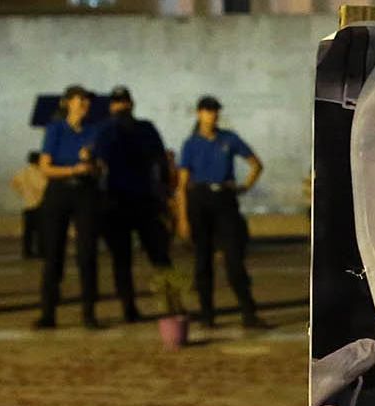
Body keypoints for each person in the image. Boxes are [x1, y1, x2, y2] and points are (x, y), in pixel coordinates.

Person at [175, 95, 267, 330]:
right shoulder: (191, 144)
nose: (212, 115)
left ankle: (248, 312)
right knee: (202, 259)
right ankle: (207, 314)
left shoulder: (229, 138)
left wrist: (244, 187)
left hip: (224, 199)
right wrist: (182, 218)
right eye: (207, 110)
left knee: (233, 258)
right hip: (200, 199)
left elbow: (256, 164)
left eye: (215, 110)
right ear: (199, 113)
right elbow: (182, 184)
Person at [95, 85, 173, 323]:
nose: (120, 106)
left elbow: (161, 162)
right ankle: (134, 308)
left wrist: (164, 193)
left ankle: (167, 303)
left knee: (154, 256)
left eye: (122, 102)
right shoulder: (114, 129)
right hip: (121, 200)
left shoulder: (129, 128)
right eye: (117, 102)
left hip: (138, 199)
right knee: (131, 258)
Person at [37, 84, 105, 330]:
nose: (85, 104)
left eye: (87, 100)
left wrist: (91, 164)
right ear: (68, 103)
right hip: (59, 191)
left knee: (87, 253)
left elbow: (100, 168)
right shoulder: (55, 129)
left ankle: (89, 312)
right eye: (80, 99)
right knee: (53, 253)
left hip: (85, 192)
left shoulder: (94, 131)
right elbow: (45, 167)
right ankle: (48, 313)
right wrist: (72, 169)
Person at [11, 150, 48, 261]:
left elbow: (14, 183)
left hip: (27, 205)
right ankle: (41, 251)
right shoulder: (41, 172)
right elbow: (43, 187)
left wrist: (23, 193)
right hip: (40, 205)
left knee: (28, 232)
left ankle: (27, 252)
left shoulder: (22, 172)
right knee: (42, 231)